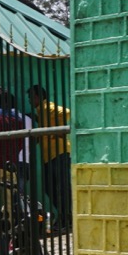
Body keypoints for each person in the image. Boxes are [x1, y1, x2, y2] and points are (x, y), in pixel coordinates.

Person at [28, 84, 72, 232]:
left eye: (30, 97)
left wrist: (57, 131)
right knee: (49, 187)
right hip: (49, 157)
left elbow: (66, 112)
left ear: (38, 97)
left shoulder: (48, 108)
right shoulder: (41, 112)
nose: (29, 100)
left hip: (58, 154)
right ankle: (65, 216)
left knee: (62, 189)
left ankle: (67, 219)